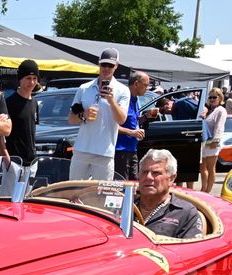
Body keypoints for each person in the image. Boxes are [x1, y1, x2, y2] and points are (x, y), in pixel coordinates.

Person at [68, 48, 130, 180]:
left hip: (105, 153)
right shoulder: (84, 88)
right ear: (99, 64)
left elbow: (122, 120)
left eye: (110, 65)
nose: (106, 68)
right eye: (104, 64)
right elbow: (71, 119)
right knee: (73, 194)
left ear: (116, 66)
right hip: (81, 150)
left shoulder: (123, 90)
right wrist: (84, 114)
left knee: (100, 197)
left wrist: (112, 101)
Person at [136, 149, 203, 239]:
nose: (148, 177)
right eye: (144, 172)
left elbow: (191, 250)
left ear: (171, 179)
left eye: (156, 173)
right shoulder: (123, 207)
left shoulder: (185, 213)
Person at [2, 59, 41, 168]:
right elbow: (0, 135)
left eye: (35, 78)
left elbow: (31, 133)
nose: (32, 82)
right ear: (20, 79)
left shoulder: (34, 102)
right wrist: (7, 159)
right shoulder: (8, 103)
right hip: (15, 162)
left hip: (32, 162)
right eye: (28, 78)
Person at [114, 71, 150, 180]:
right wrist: (132, 132)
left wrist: (146, 117)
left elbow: (132, 121)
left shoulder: (135, 100)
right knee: (122, 185)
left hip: (132, 149)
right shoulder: (122, 99)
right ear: (136, 84)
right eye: (146, 85)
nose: (147, 88)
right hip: (120, 150)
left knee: (134, 185)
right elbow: (111, 126)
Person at [200, 88, 227, 194]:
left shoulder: (221, 110)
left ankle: (208, 191)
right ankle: (203, 189)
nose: (212, 99)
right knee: (202, 168)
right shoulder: (208, 110)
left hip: (213, 142)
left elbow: (219, 126)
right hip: (205, 142)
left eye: (214, 97)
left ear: (220, 98)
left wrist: (216, 140)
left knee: (211, 168)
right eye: (210, 97)